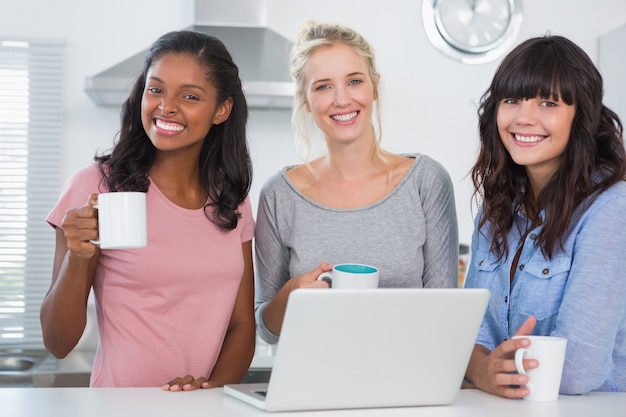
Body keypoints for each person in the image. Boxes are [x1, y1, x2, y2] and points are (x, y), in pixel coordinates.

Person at [40, 30, 256, 390]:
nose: (166, 106)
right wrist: (78, 257)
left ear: (222, 109)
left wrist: (209, 393)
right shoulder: (97, 186)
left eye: (189, 96)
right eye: (155, 89)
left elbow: (241, 325)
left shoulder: (233, 200)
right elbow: (58, 342)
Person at [254, 21, 459, 344]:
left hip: (407, 382)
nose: (341, 99)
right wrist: (290, 295)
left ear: (374, 87)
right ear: (305, 100)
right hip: (312, 381)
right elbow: (267, 329)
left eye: (354, 81)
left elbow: (444, 312)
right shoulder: (279, 195)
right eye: (323, 86)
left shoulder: (426, 181)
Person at [464, 34, 626, 397]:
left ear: (581, 116)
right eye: (512, 100)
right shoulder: (495, 210)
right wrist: (479, 367)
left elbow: (575, 373)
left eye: (548, 103)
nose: (524, 118)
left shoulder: (612, 209)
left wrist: (481, 368)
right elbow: (469, 337)